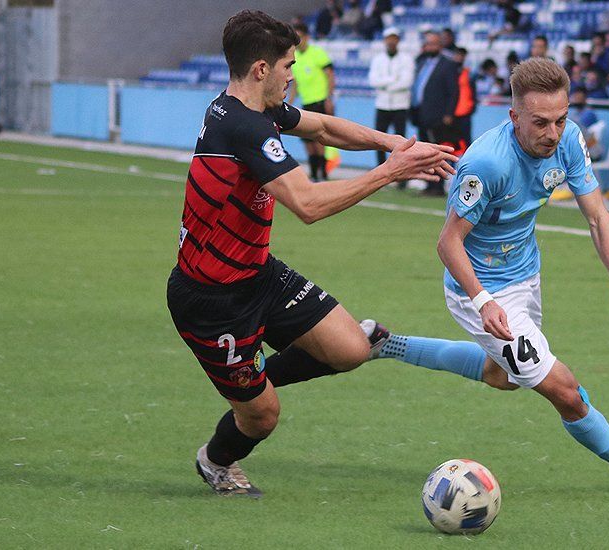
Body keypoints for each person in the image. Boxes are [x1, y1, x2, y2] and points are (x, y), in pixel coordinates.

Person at [166, 10, 456, 497]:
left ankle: (254, 377)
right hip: (211, 301)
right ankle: (216, 461)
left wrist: (394, 142)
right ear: (262, 69)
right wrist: (391, 171)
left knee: (352, 351)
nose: (293, 76)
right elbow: (308, 204)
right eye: (288, 66)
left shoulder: (249, 111)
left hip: (258, 275)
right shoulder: (243, 127)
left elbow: (321, 128)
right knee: (262, 417)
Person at [363, 58, 609, 496]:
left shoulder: (567, 139)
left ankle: (386, 342)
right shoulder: (486, 165)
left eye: (560, 120)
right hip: (481, 287)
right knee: (564, 390)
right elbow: (448, 244)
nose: (552, 133)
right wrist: (482, 300)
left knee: (503, 376)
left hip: (527, 272)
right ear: (514, 117)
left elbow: (597, 216)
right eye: (541, 123)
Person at [411, 31, 460, 195]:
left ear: (440, 46)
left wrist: (449, 114)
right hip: (421, 113)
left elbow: (453, 92)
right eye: (428, 44)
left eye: (434, 44)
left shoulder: (448, 64)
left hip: (437, 115)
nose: (430, 47)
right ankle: (428, 183)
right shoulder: (421, 62)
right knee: (424, 151)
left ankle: (438, 185)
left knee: (437, 152)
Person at [288, 23, 335, 181]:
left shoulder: (318, 53)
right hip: (306, 104)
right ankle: (314, 174)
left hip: (320, 102)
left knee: (319, 140)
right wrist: (291, 102)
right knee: (308, 141)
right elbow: (295, 84)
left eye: (300, 37)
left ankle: (323, 172)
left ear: (307, 37)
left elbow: (330, 75)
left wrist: (329, 98)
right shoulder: (295, 58)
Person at [368, 27, 415, 168]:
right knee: (378, 140)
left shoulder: (406, 59)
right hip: (382, 105)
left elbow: (406, 82)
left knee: (401, 142)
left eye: (394, 38)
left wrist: (385, 84)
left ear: (398, 40)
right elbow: (373, 81)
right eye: (389, 38)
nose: (391, 41)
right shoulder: (378, 59)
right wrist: (393, 80)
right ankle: (381, 170)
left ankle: (400, 171)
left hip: (400, 105)